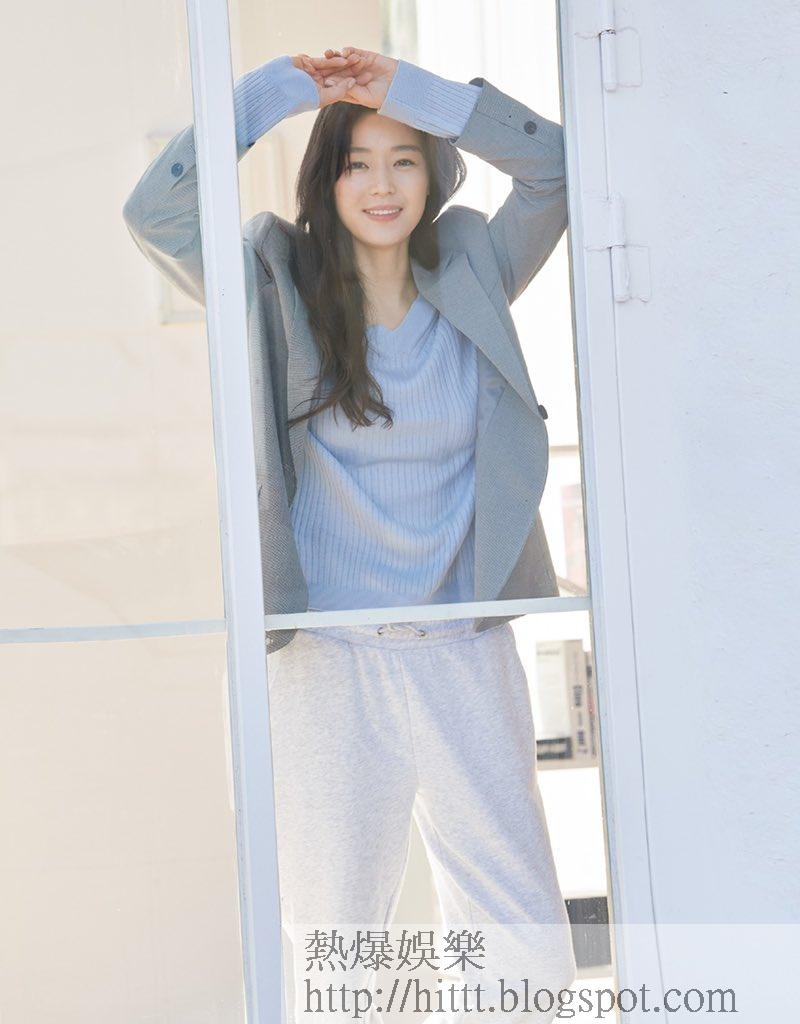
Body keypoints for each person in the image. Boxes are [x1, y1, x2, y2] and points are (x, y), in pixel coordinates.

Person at [123, 45, 576, 1023]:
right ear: (323, 181)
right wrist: (277, 92)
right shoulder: (272, 278)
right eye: (356, 162)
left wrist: (411, 91)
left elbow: (551, 168)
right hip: (327, 663)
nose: (381, 185)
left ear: (433, 172)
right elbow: (156, 214)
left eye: (403, 159)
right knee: (339, 947)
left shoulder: (473, 263)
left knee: (524, 940)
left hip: (462, 646)